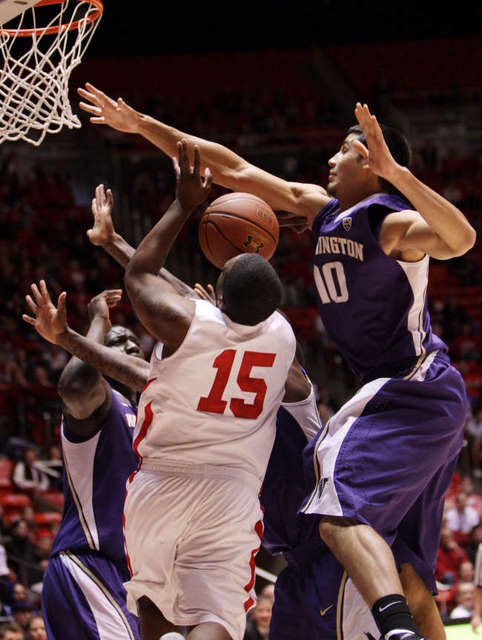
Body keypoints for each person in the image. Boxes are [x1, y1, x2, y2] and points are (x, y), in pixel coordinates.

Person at [77, 85, 476, 640]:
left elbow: (461, 238)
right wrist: (141, 123)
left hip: (411, 381)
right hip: (395, 394)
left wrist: (399, 175)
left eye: (345, 151)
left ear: (372, 163)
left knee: (339, 507)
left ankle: (397, 632)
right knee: (409, 569)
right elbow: (234, 169)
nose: (331, 159)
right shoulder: (322, 211)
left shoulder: (391, 224)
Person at [121, 140, 295, 640]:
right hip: (232, 490)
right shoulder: (284, 337)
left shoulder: (184, 323)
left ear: (216, 295)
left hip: (163, 481)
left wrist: (184, 204)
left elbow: (140, 274)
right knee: (217, 615)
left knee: (153, 598)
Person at [23, 287, 145, 640]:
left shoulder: (151, 417)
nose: (131, 352)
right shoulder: (102, 404)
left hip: (130, 578)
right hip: (89, 564)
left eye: (136, 347)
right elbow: (76, 384)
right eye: (118, 345)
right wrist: (97, 324)